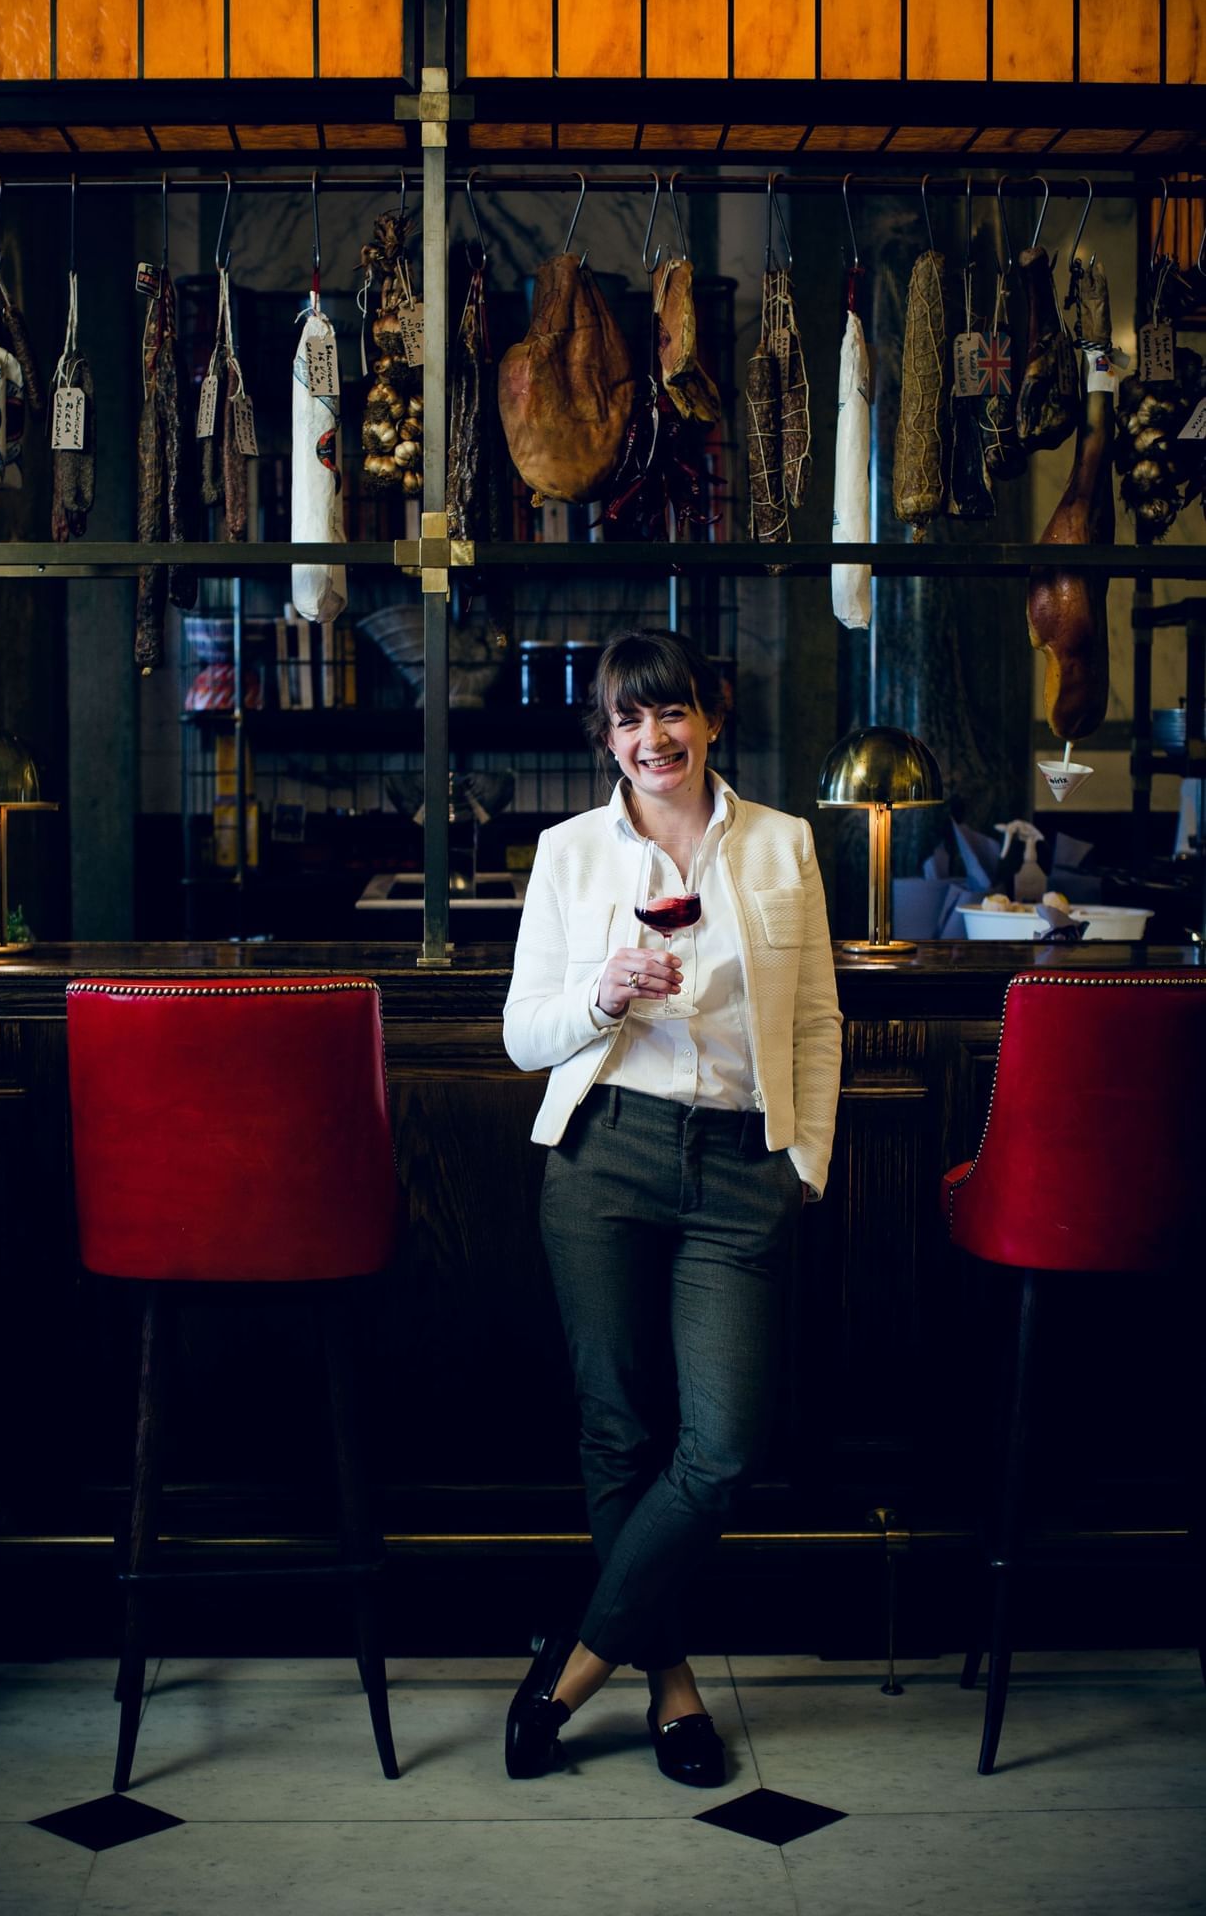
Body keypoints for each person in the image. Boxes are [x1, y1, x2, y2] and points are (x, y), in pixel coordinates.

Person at [501, 628, 842, 1787]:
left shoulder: (784, 842)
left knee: (723, 1442)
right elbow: (523, 1034)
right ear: (607, 738)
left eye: (671, 711)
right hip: (605, 1152)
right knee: (617, 1430)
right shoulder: (567, 853)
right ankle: (671, 1682)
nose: (653, 737)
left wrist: (804, 1162)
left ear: (709, 717)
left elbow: (817, 1019)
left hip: (744, 1166)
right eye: (627, 719)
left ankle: (569, 1669)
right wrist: (602, 995)